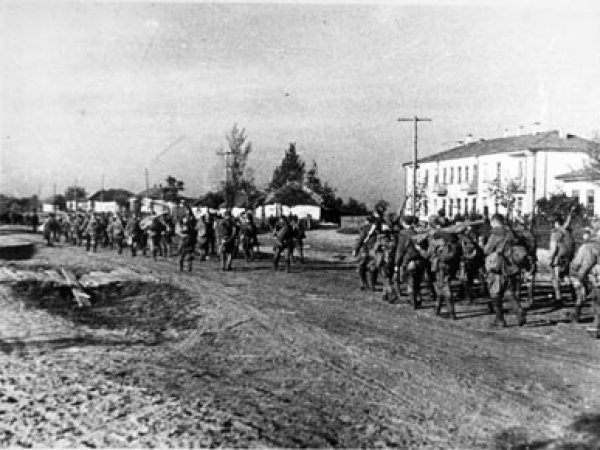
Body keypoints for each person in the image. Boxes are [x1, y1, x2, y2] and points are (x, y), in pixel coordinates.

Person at [484, 213, 526, 327]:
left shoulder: (496, 234)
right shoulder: (511, 232)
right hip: (512, 267)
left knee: (495, 293)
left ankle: (500, 319)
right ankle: (518, 309)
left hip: (498, 267)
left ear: (494, 222)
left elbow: (487, 250)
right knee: (509, 292)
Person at [570, 227, 600, 336]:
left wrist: (576, 274)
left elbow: (580, 263)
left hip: (593, 277)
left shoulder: (587, 247)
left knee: (596, 302)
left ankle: (594, 326)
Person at [394, 216, 426, 308]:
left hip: (409, 260)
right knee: (417, 282)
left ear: (404, 223)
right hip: (420, 260)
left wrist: (397, 263)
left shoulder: (403, 234)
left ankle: (413, 302)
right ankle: (418, 299)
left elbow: (400, 250)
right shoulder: (417, 232)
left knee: (410, 282)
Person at [549, 208, 576, 304]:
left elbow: (553, 249)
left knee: (555, 278)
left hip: (558, 258)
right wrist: (570, 214)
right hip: (567, 257)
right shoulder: (566, 231)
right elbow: (568, 222)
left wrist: (551, 259)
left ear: (555, 222)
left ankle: (558, 298)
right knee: (565, 276)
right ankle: (574, 294)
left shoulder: (555, 233)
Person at [353, 216, 379, 290]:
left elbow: (361, 239)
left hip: (365, 250)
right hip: (374, 250)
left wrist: (356, 249)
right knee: (372, 268)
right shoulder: (377, 229)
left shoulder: (364, 228)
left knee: (361, 267)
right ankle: (372, 285)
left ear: (367, 221)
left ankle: (364, 284)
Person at [176, 203, 198, 272]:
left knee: (190, 255)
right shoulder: (180, 222)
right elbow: (177, 231)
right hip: (183, 240)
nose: (188, 215)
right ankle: (181, 268)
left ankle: (189, 268)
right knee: (181, 255)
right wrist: (182, 234)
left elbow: (195, 228)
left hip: (190, 240)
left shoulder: (192, 221)